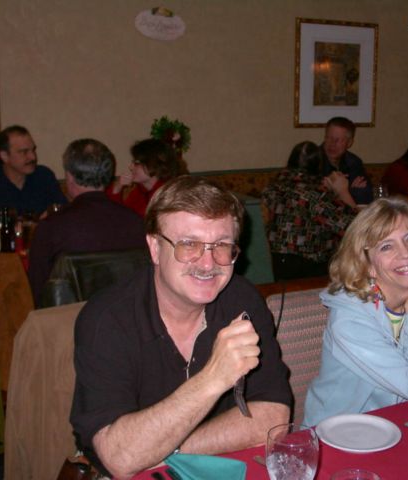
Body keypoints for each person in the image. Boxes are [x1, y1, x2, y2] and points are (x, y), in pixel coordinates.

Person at [70, 175, 291, 479]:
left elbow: (274, 416)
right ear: (154, 248)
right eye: (188, 245)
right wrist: (213, 378)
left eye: (222, 245)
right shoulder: (107, 320)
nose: (208, 263)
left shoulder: (242, 300)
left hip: (215, 467)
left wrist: (167, 449)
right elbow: (120, 458)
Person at [303, 197, 408, 427]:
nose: (405, 253)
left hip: (401, 423)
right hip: (338, 434)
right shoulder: (350, 321)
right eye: (386, 246)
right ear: (368, 264)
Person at [27, 139, 146, 306]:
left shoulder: (51, 228)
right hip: (127, 316)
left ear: (69, 177)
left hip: (69, 320)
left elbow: (37, 293)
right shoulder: (137, 223)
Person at [262, 141, 358, 280]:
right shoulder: (314, 195)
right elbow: (356, 228)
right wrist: (343, 192)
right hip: (307, 267)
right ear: (319, 165)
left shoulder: (272, 188)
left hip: (275, 263)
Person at [0, 125, 67, 218]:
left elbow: (63, 213)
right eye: (24, 152)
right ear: (4, 156)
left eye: (33, 150)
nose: (33, 157)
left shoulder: (44, 176)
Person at [107, 138, 181, 217]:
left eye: (137, 163)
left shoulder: (168, 195)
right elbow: (118, 216)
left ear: (154, 165)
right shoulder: (139, 191)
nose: (131, 167)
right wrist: (117, 189)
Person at [320, 116, 373, 205]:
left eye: (338, 140)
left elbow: (366, 198)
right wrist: (350, 192)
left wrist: (343, 192)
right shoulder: (311, 160)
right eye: (329, 138)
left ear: (349, 143)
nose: (332, 144)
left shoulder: (354, 162)